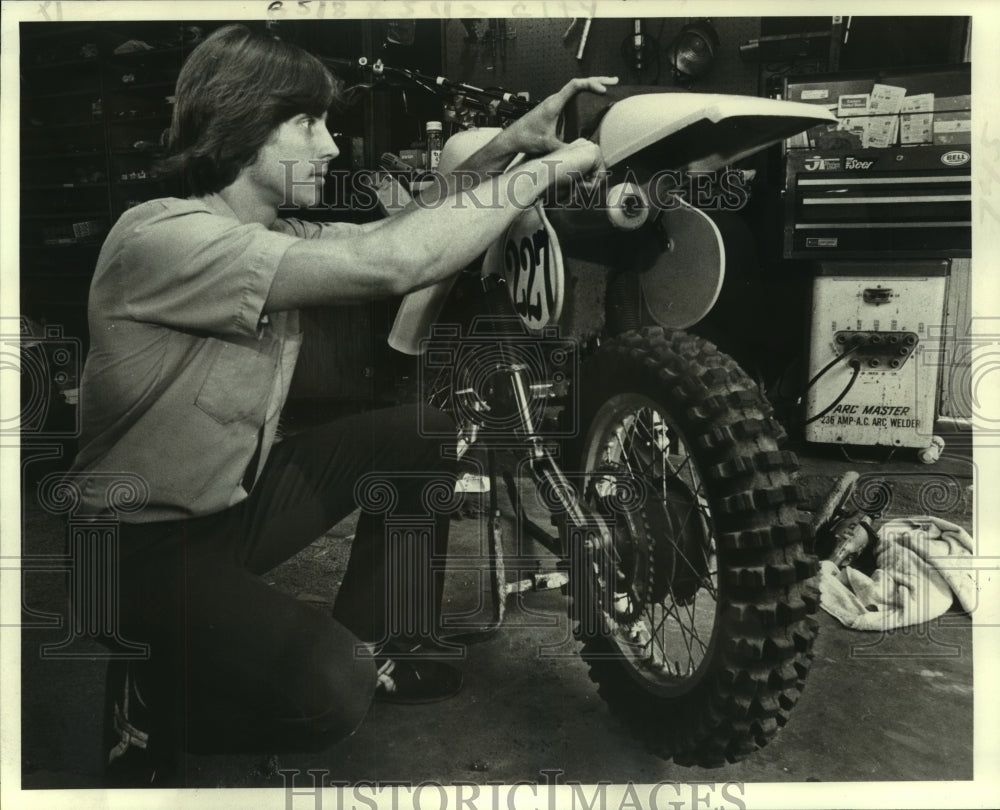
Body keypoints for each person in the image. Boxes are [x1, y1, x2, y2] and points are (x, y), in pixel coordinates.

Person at [68, 23, 615, 786]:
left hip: (230, 509)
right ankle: (154, 703)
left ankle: (377, 643)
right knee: (330, 694)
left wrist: (502, 151)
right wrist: (546, 171)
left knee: (416, 435)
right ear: (244, 123)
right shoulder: (161, 238)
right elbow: (388, 262)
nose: (330, 146)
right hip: (133, 549)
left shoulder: (265, 232)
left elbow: (395, 231)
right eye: (309, 124)